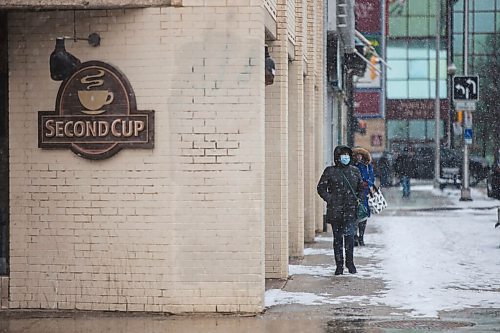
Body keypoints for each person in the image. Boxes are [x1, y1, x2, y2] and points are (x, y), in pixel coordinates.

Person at [317, 145, 363, 275]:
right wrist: (330, 199)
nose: (346, 157)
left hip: (350, 210)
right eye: (343, 155)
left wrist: (358, 199)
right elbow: (321, 188)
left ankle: (350, 263)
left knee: (349, 238)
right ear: (337, 157)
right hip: (335, 211)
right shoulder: (330, 171)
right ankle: (339, 265)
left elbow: (361, 188)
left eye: (347, 155)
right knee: (337, 239)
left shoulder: (355, 171)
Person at [352, 147, 375, 247]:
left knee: (363, 214)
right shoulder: (353, 166)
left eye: (360, 155)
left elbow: (371, 177)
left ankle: (361, 236)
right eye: (357, 155)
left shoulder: (367, 166)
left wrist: (367, 183)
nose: (359, 157)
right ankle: (354, 236)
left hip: (364, 194)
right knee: (354, 215)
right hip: (353, 193)